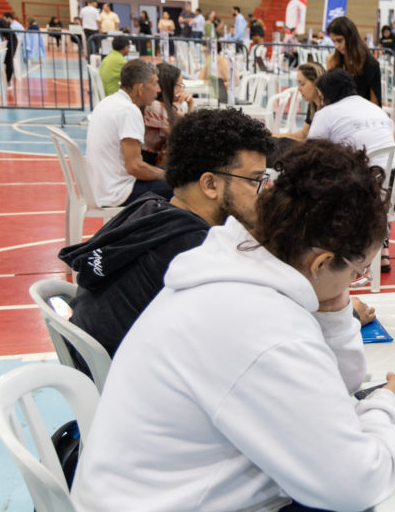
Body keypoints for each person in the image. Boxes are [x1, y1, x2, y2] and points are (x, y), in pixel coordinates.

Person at [71, 138, 395, 512]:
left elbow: (336, 389)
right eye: (358, 272)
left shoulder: (238, 261)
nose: (357, 283)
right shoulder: (262, 325)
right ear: (320, 261)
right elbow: (354, 481)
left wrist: (335, 301)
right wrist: (383, 413)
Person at [59, 109, 274, 359]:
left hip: (92, 366)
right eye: (254, 180)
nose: (261, 193)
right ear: (210, 184)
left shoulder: (148, 209)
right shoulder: (197, 251)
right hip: (128, 384)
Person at [86, 59, 171, 206]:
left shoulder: (108, 102)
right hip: (118, 192)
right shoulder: (129, 111)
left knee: (176, 174)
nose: (158, 90)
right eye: (155, 84)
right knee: (185, 187)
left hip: (101, 186)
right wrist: (166, 175)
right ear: (140, 88)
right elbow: (134, 167)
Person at [308, 68, 395, 166]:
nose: (322, 102)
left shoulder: (326, 114)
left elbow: (311, 152)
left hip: (365, 177)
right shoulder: (377, 110)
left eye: (322, 97)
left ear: (328, 94)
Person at [143, 63, 193, 165]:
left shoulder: (166, 107)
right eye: (179, 85)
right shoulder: (154, 106)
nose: (182, 90)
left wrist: (190, 104)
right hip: (148, 162)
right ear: (168, 85)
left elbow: (188, 123)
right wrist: (190, 106)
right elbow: (185, 139)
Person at [326, 16, 382, 105]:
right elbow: (328, 95)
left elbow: (375, 104)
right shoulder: (332, 60)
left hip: (361, 114)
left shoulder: (371, 64)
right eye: (333, 41)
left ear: (350, 37)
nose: (336, 46)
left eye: (339, 40)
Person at [273, 61, 325, 141]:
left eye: (302, 84)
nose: (299, 89)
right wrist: (275, 136)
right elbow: (303, 134)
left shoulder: (328, 109)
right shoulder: (313, 105)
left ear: (316, 83)